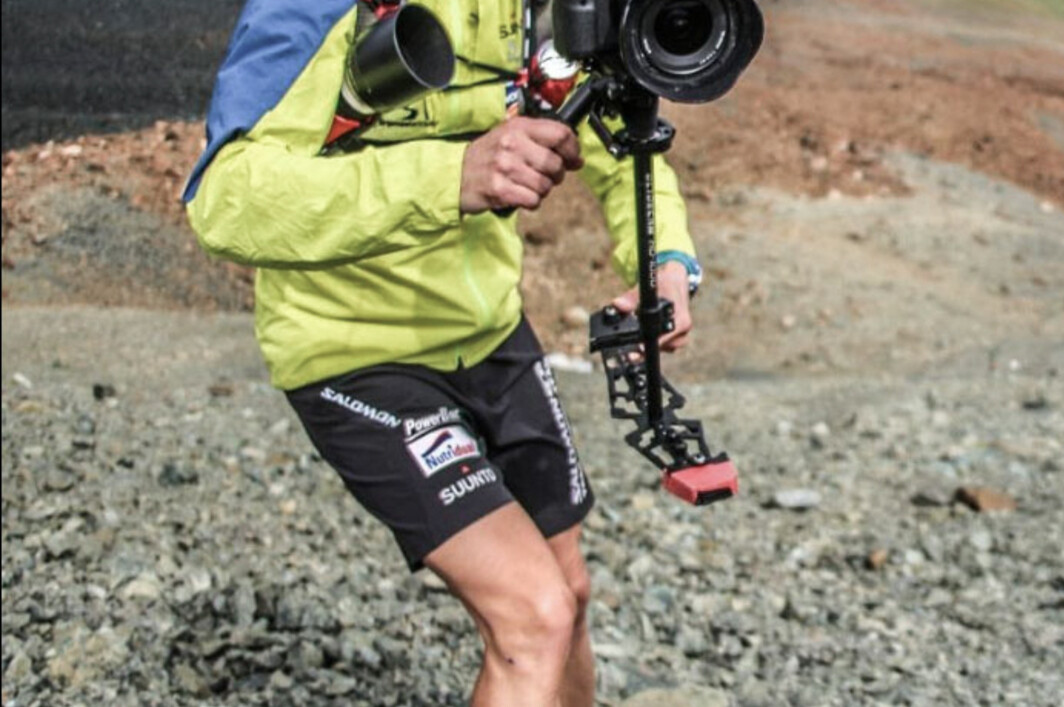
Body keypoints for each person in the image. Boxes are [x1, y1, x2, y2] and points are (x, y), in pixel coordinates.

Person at [182, 1, 702, 704]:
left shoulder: (536, 8)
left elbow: (615, 125)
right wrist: (449, 177)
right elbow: (226, 197)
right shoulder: (316, 9)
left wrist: (663, 256)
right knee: (532, 615)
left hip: (490, 332)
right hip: (354, 350)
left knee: (569, 593)